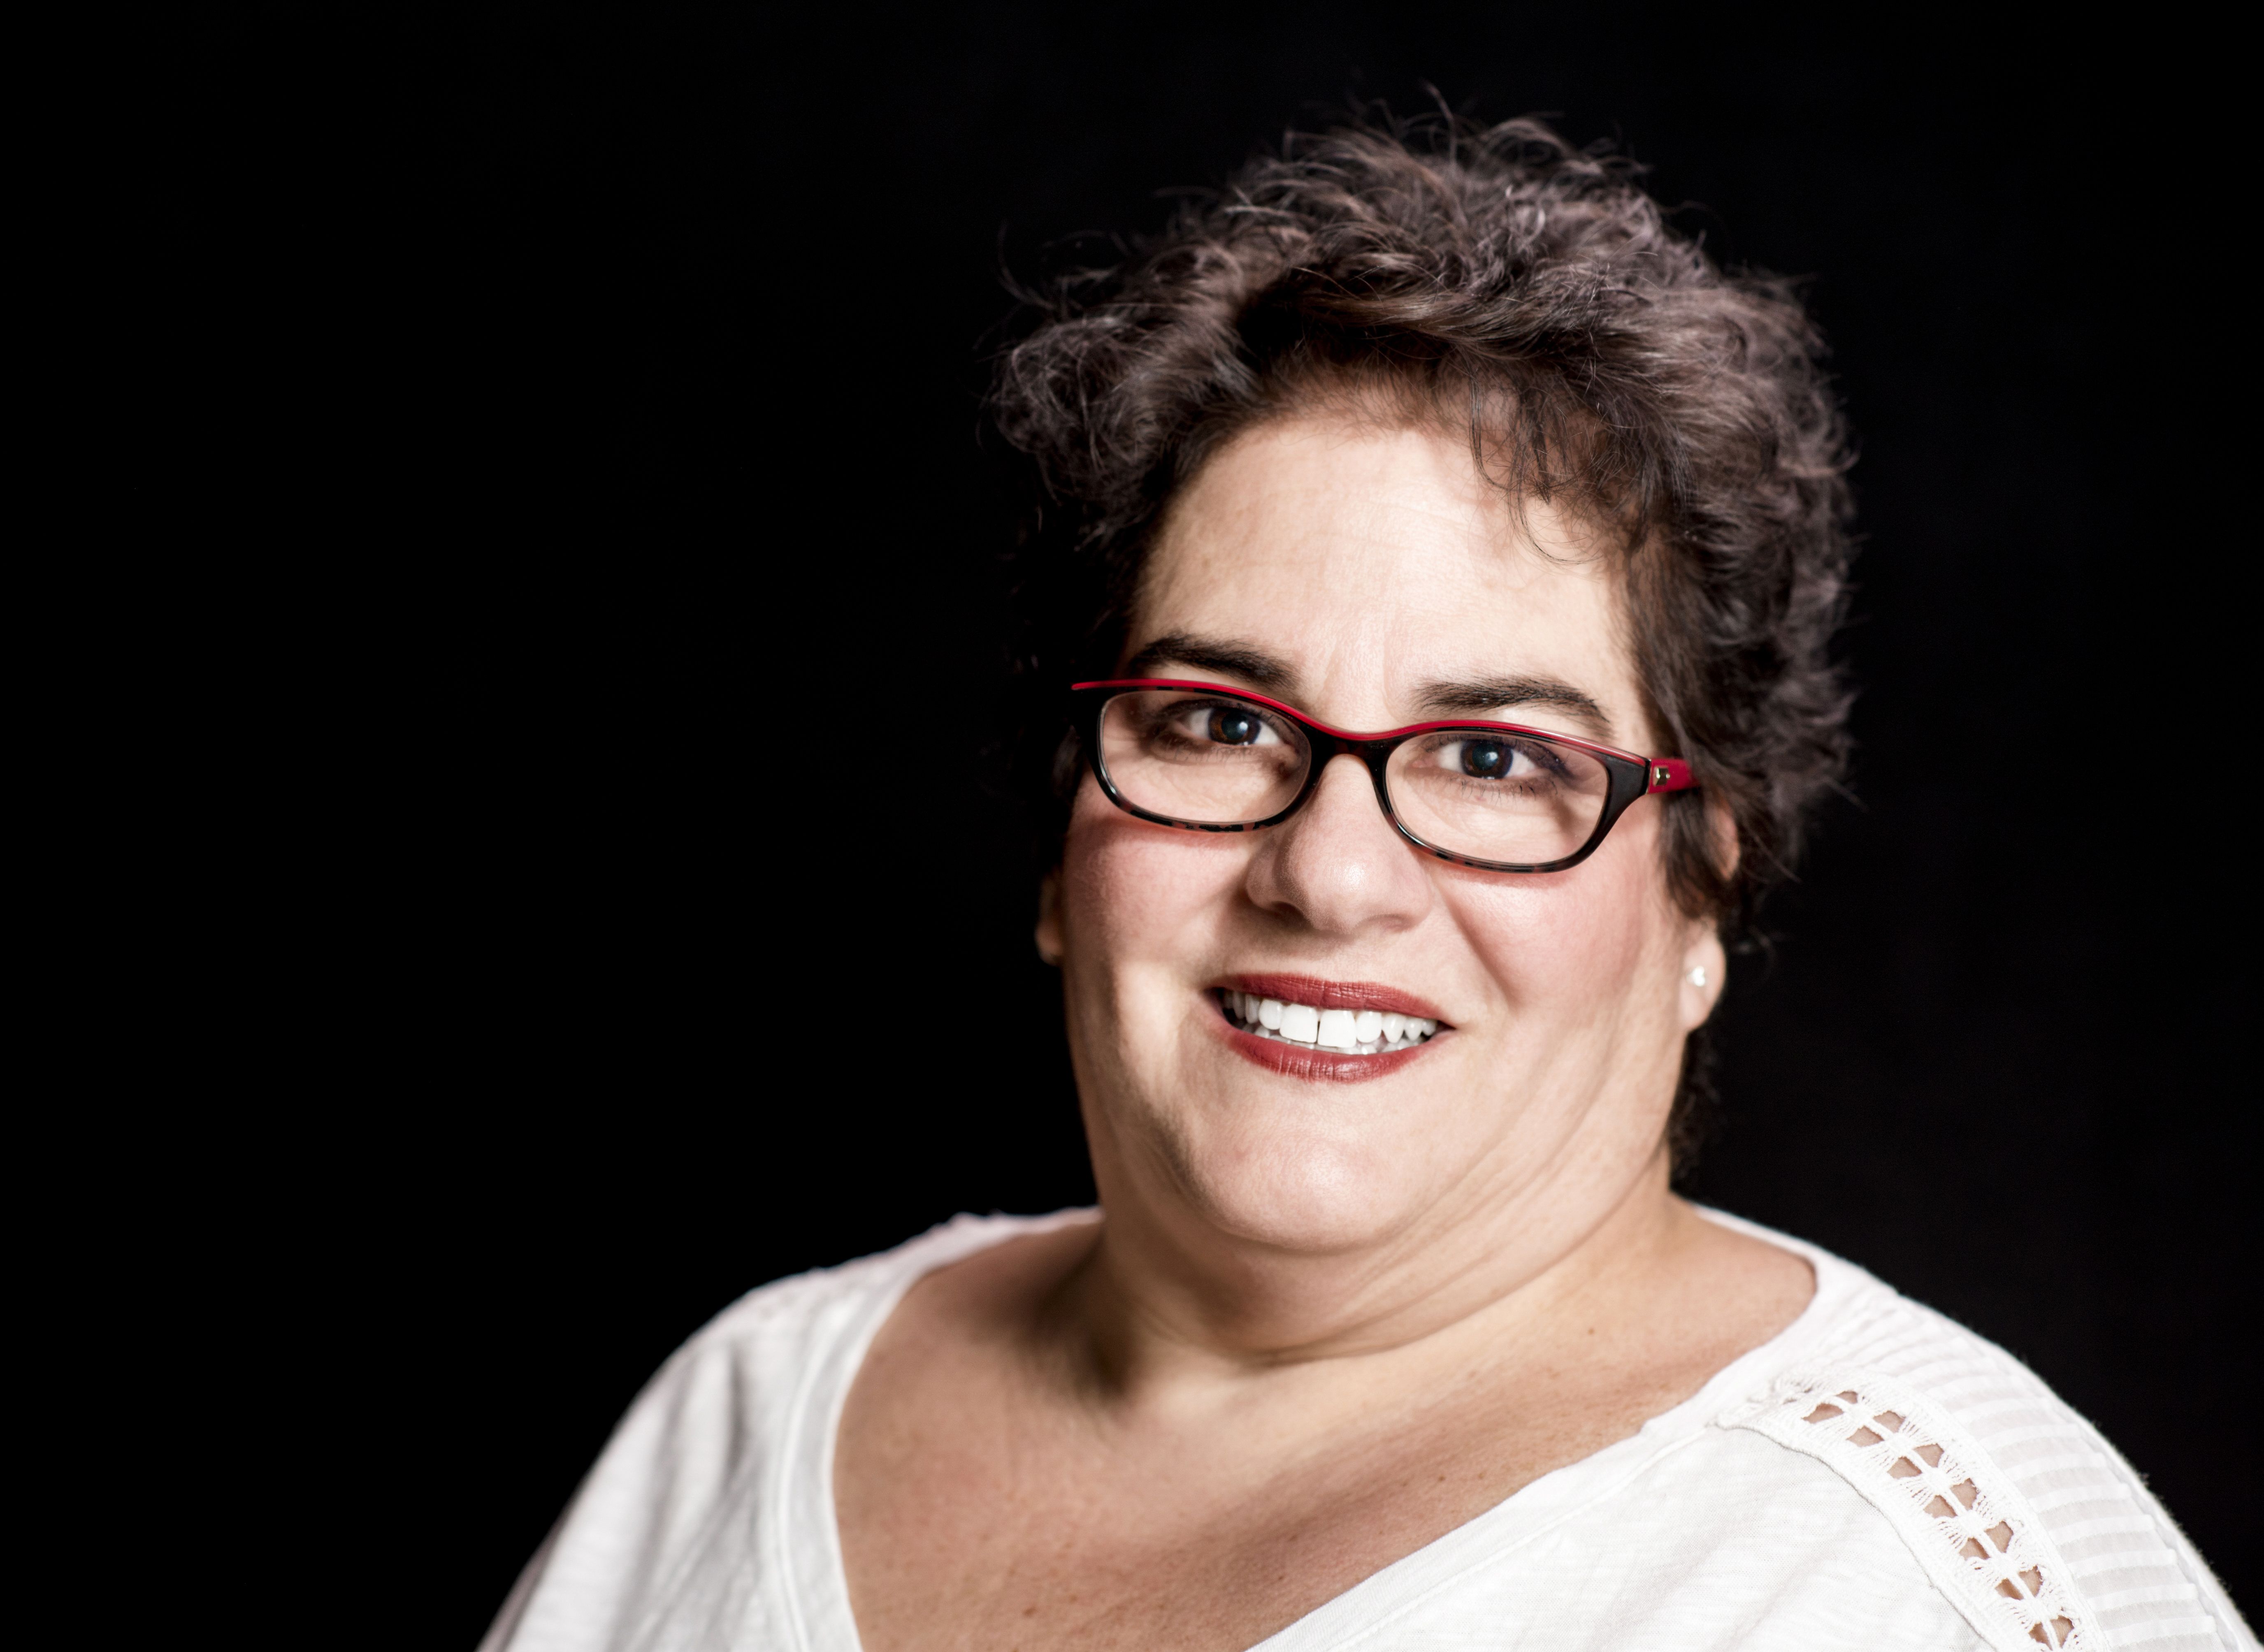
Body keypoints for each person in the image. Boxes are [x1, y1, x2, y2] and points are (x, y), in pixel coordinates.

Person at [480, 118, 2250, 1652]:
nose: (1327, 873)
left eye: (1494, 759)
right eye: (1213, 720)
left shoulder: (1906, 1578)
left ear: (1703, 890)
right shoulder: (751, 1401)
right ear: (1059, 832)